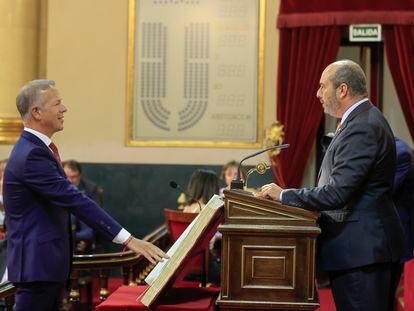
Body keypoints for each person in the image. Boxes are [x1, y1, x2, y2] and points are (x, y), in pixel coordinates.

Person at [3, 80, 167, 310]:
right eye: (57, 103)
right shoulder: (31, 155)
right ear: (36, 112)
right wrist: (128, 240)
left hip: (44, 265)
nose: (64, 109)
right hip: (37, 267)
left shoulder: (36, 149)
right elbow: (75, 199)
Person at [258, 60, 404, 311]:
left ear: (343, 90)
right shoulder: (361, 120)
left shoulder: (363, 126)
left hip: (361, 253)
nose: (317, 94)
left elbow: (338, 192)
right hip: (360, 251)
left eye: (322, 86)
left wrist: (284, 195)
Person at [63, 160, 99, 253]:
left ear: (79, 175)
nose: (70, 180)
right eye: (67, 177)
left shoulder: (90, 188)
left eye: (73, 177)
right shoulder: (59, 186)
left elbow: (95, 212)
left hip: (85, 224)